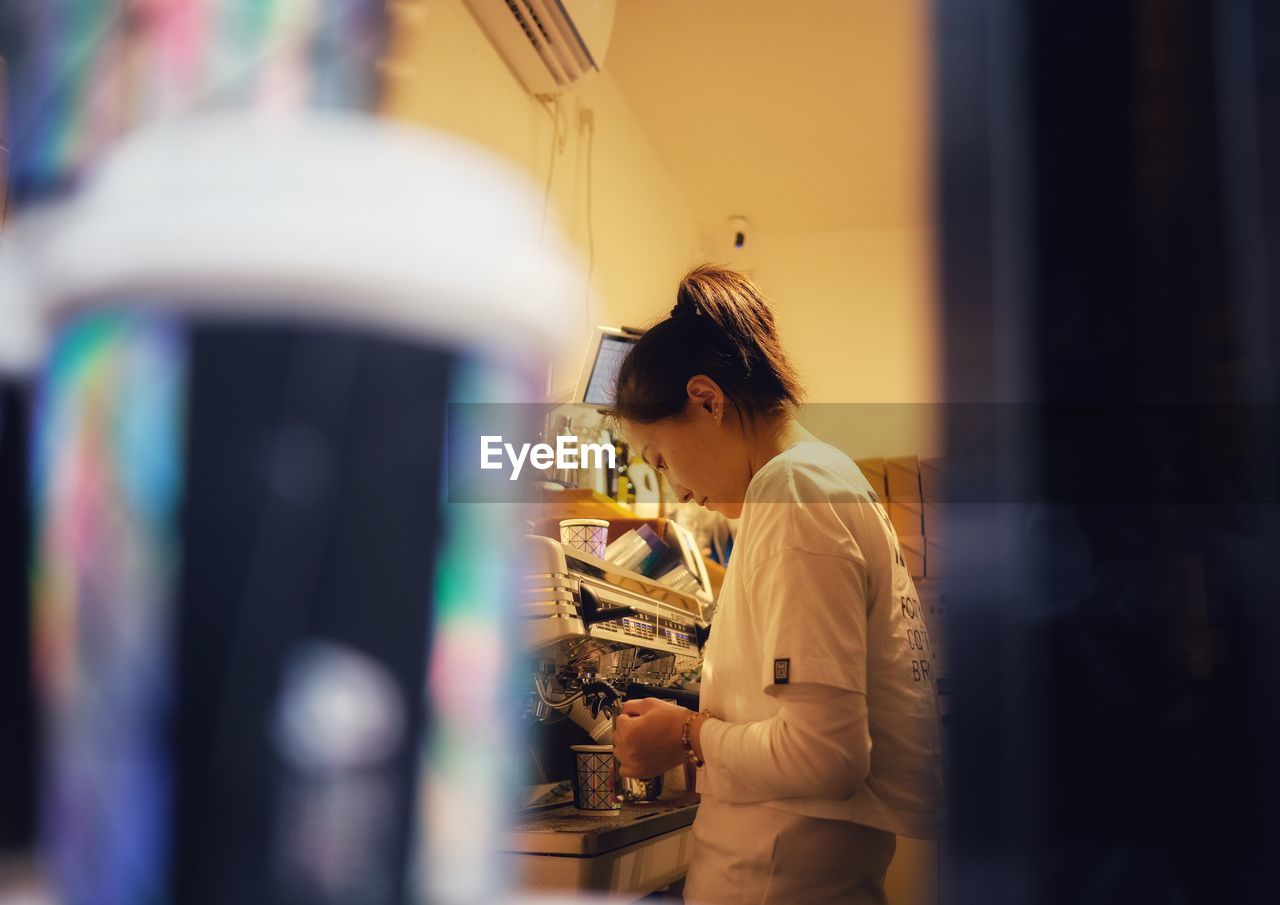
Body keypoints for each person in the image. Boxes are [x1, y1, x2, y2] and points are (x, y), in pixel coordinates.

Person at [609, 266, 945, 904]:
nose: (674, 486)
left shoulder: (796, 490)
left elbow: (825, 757)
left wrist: (685, 733)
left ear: (707, 400)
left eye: (659, 456)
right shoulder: (819, 483)